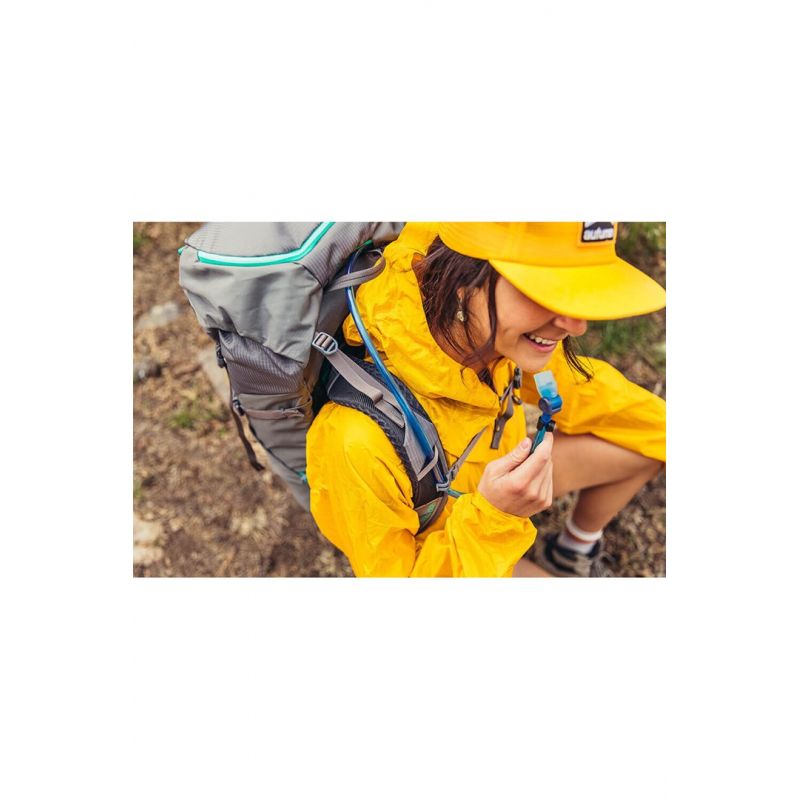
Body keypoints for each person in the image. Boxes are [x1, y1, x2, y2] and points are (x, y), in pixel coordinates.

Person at [306, 222, 666, 577]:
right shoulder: (354, 442)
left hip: (498, 486)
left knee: (657, 440)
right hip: (460, 543)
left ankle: (572, 552)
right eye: (547, 292)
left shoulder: (495, 331)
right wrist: (496, 517)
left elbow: (587, 391)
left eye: (578, 291)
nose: (576, 325)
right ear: (462, 278)